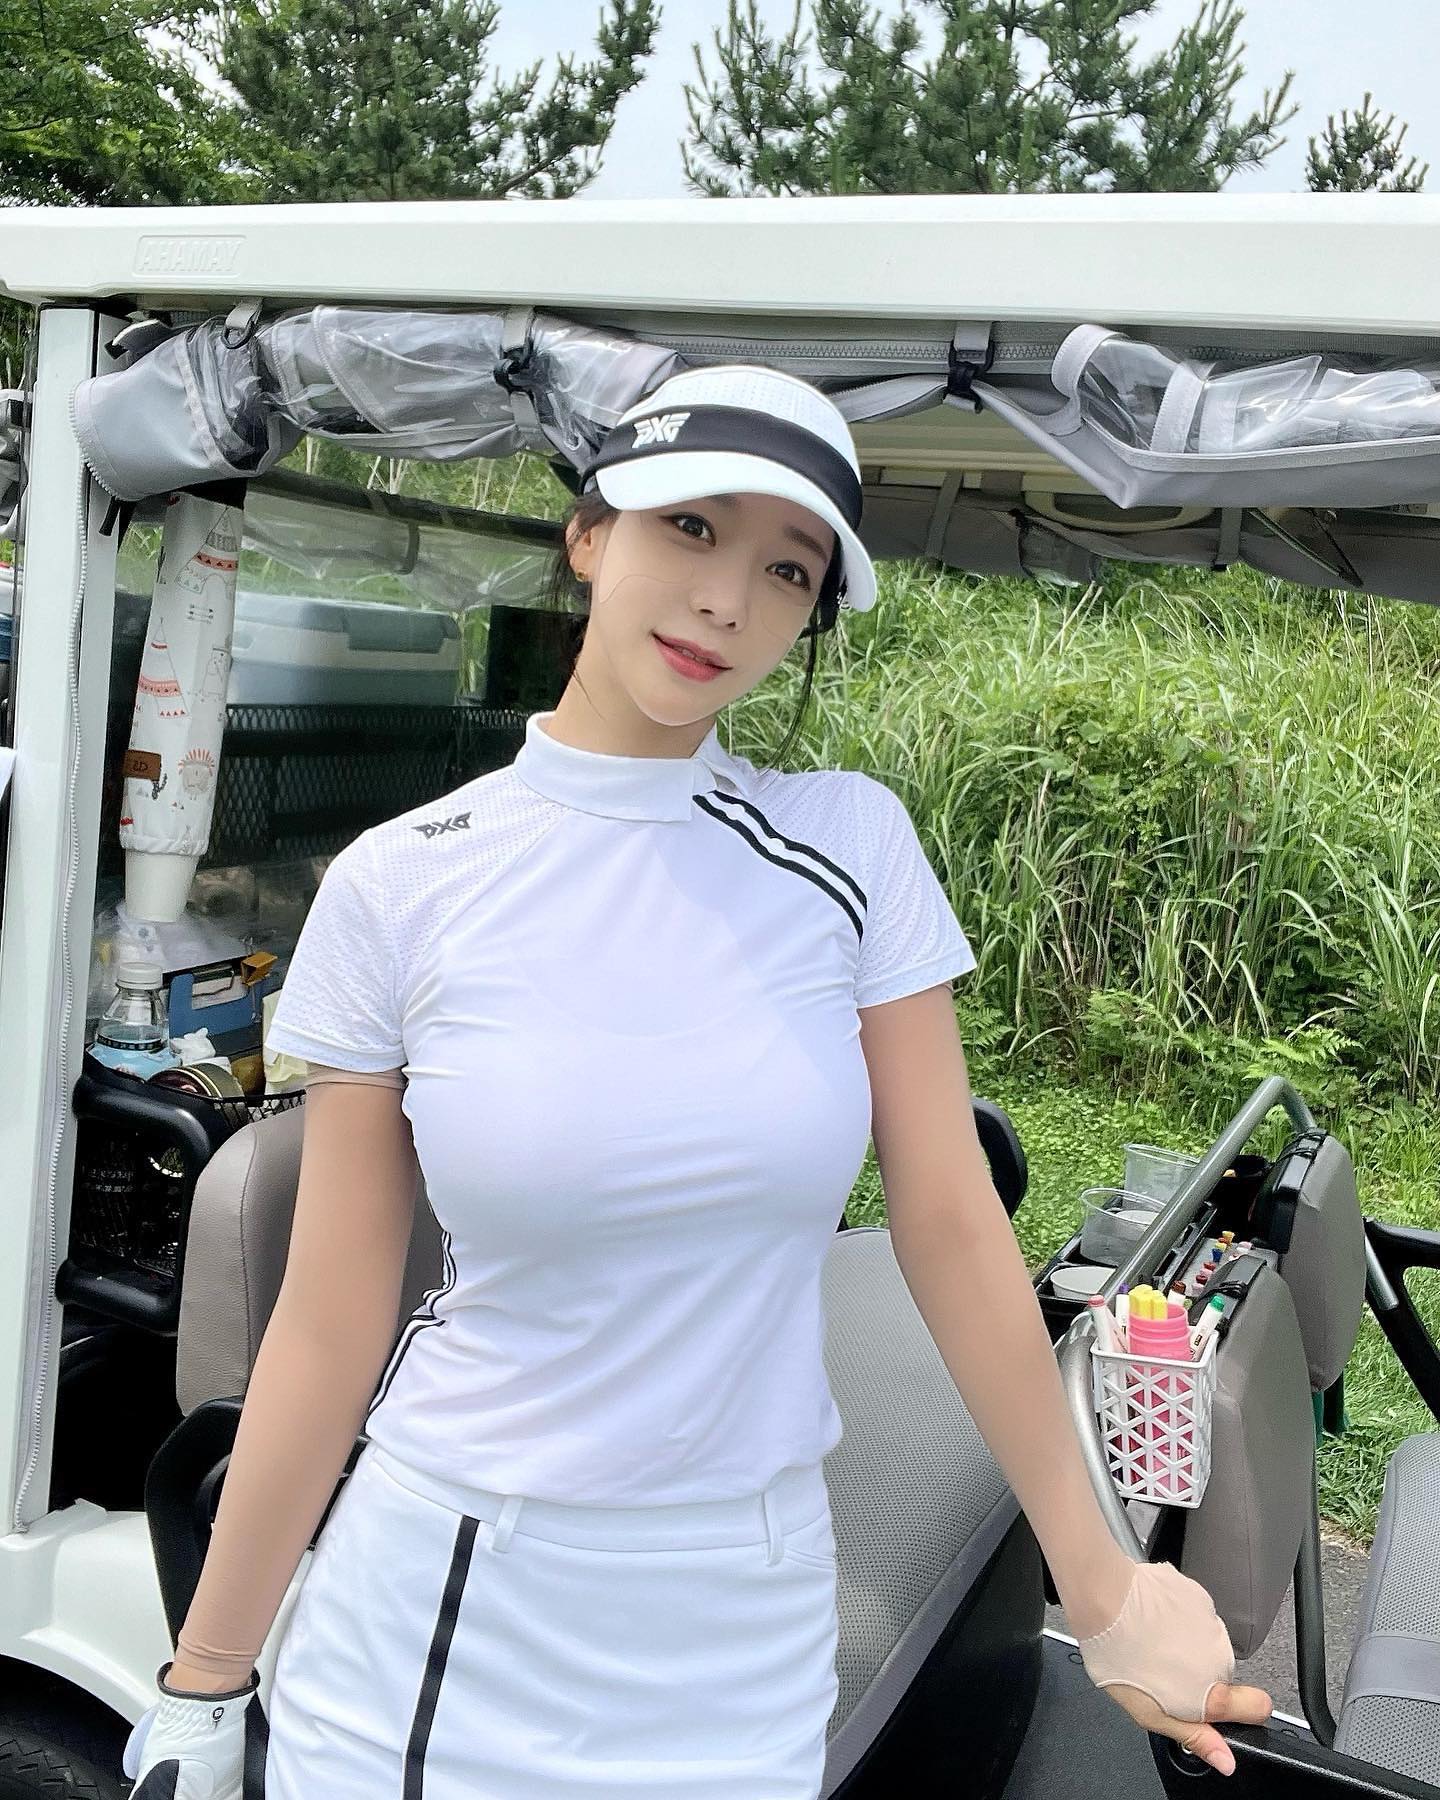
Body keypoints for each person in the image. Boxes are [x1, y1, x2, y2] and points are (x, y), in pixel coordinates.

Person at [122, 363, 1272, 1799]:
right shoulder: (400, 883)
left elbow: (949, 1218)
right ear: (589, 534)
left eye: (787, 569)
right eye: (690, 528)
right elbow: (333, 1308)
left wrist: (1102, 1590)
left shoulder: (848, 849)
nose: (728, 600)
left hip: (749, 1608)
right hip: (458, 1599)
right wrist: (208, 1677)